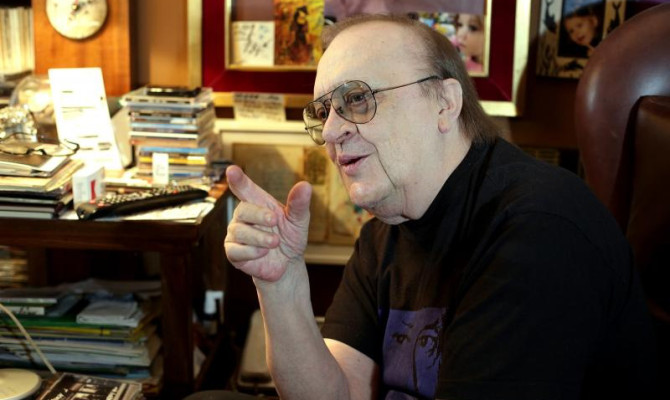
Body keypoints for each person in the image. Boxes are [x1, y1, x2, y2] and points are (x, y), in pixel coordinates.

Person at [224, 13, 658, 400]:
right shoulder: (383, 233)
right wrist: (281, 286)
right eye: (324, 112)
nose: (332, 131)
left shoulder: (538, 230)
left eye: (356, 99)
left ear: (445, 104)